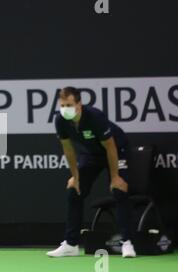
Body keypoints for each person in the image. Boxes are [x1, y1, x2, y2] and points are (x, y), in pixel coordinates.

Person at [47, 87, 136, 258]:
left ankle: (127, 242)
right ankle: (71, 244)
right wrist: (76, 176)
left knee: (119, 190)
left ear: (79, 104)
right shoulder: (60, 120)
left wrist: (115, 176)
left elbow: (110, 146)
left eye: (69, 104)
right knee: (74, 191)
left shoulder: (95, 116)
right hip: (91, 154)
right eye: (63, 105)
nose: (65, 109)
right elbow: (68, 150)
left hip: (117, 149)